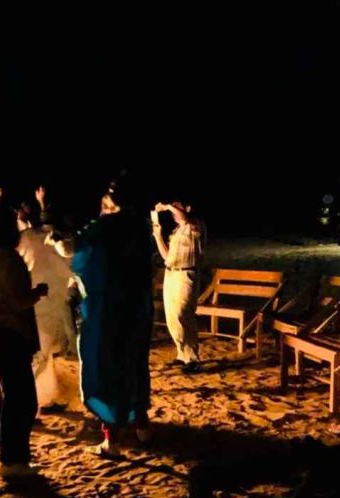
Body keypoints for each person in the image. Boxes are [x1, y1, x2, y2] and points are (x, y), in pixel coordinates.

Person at [53, 175, 153, 456]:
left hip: (108, 309)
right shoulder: (141, 226)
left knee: (107, 367)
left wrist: (56, 239)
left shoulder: (106, 225)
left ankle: (112, 440)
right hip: (137, 307)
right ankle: (142, 426)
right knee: (135, 364)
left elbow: (72, 249)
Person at [0, 206, 48, 479]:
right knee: (23, 402)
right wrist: (37, 293)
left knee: (8, 396)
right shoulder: (11, 260)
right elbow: (17, 301)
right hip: (11, 336)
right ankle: (13, 463)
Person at [16, 188, 75, 412]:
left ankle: (44, 399)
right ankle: (25, 405)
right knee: (39, 357)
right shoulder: (64, 243)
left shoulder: (26, 237)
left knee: (44, 355)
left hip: (30, 303)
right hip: (45, 307)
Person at [152, 200, 204, 372]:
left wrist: (166, 206)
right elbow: (167, 257)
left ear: (187, 208)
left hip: (186, 274)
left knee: (183, 314)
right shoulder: (176, 231)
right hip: (171, 273)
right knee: (172, 317)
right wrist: (158, 235)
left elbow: (185, 218)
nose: (173, 211)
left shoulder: (194, 226)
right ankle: (182, 355)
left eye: (176, 207)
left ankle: (193, 358)